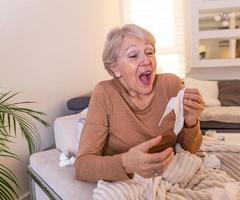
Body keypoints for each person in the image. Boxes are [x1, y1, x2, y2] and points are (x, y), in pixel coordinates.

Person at [75, 24, 204, 182]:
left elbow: (191, 149)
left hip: (171, 173)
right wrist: (126, 163)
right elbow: (82, 167)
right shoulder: (104, 94)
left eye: (149, 52)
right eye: (133, 55)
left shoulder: (172, 84)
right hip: (129, 179)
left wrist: (191, 122)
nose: (146, 60)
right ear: (115, 69)